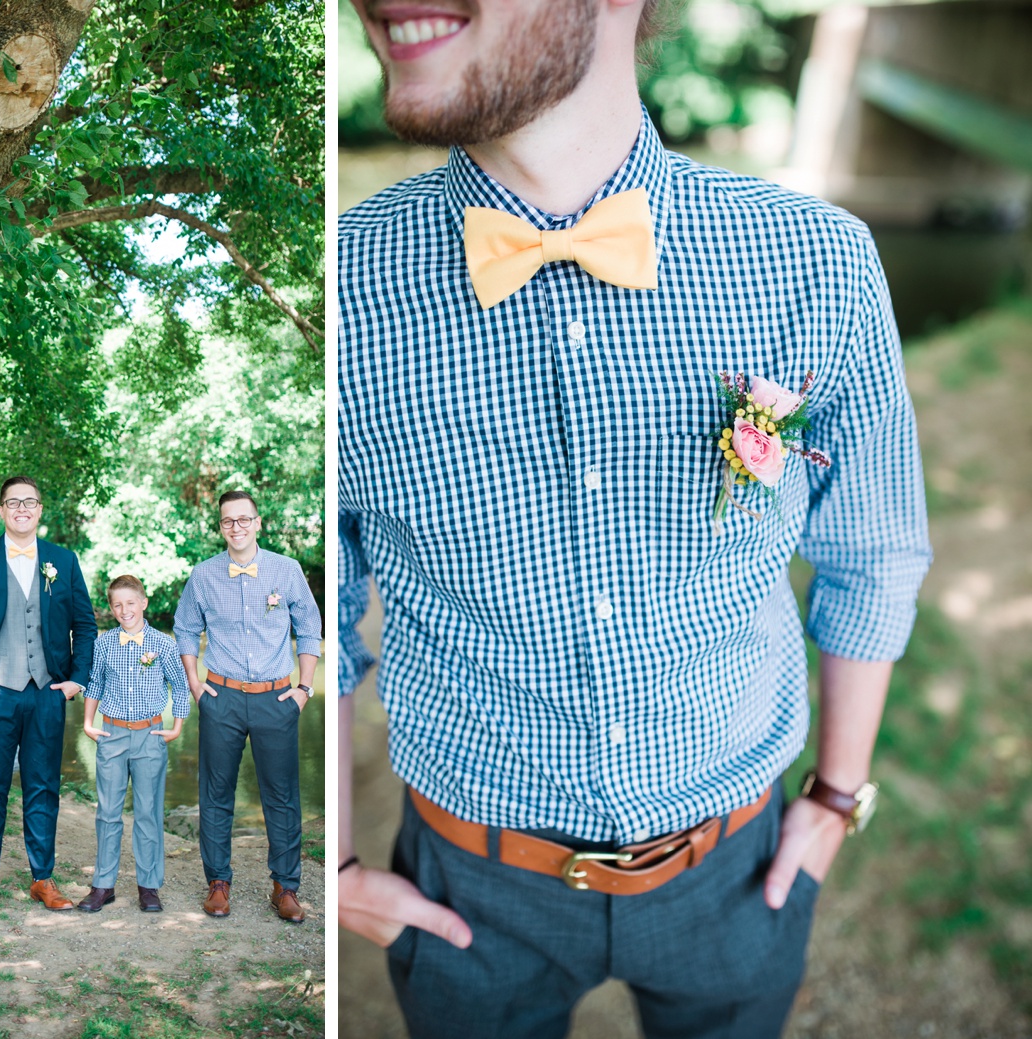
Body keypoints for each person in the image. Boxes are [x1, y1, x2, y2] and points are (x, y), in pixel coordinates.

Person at [337, 0, 933, 1036]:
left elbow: (872, 550)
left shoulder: (813, 263)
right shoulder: (339, 285)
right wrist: (335, 860)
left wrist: (835, 796)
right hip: (469, 894)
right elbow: (315, 603)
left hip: (738, 873)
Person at [0, 475, 98, 922]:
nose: (22, 509)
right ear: (1, 510)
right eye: (13, 503)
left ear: (40, 509)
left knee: (44, 787)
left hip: (47, 692)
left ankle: (42, 878)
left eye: (30, 502)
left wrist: (76, 679)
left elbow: (85, 625)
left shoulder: (62, 561)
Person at [173, 490, 322, 922]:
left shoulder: (287, 570)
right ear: (220, 527)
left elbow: (309, 628)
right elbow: (184, 630)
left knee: (282, 795)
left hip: (278, 698)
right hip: (222, 697)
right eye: (227, 522)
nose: (236, 527)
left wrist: (304, 689)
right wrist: (196, 686)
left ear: (259, 523)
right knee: (215, 794)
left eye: (244, 520)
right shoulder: (203, 575)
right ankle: (218, 883)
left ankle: (285, 886)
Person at [77, 575, 189, 914]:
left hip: (150, 736)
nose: (125, 610)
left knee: (148, 813)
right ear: (111, 609)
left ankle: (149, 886)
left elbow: (180, 687)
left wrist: (176, 727)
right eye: (117, 605)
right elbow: (94, 682)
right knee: (108, 812)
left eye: (130, 602)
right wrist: (87, 722)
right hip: (112, 735)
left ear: (143, 603)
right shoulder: (104, 643)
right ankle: (103, 885)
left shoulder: (163, 644)